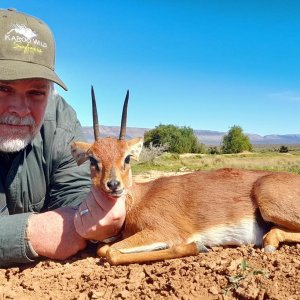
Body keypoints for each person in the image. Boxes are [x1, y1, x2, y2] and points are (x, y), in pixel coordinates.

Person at [0, 8, 126, 266]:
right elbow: (35, 233)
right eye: (2, 87)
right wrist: (27, 234)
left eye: (36, 92)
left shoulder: (59, 120)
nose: (20, 109)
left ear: (51, 92)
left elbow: (76, 191)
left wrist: (92, 213)